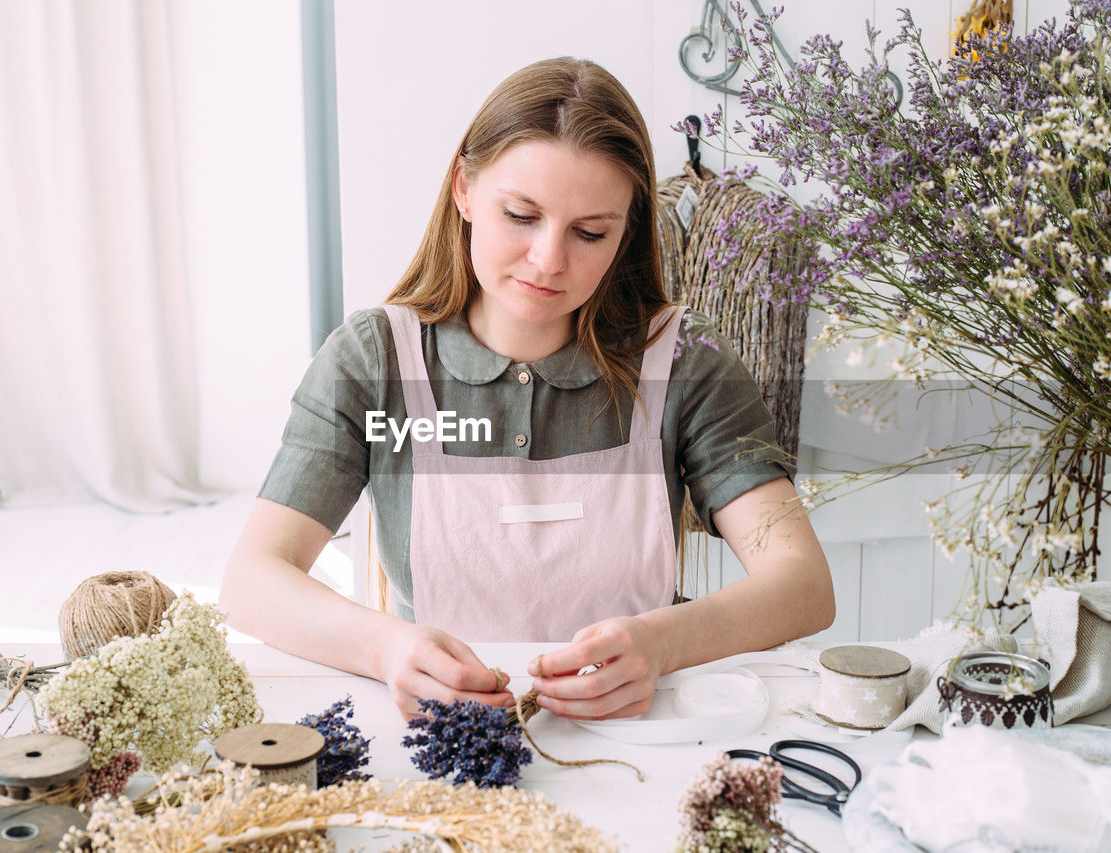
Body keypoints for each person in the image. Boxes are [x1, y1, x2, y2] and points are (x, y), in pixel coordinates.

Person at [220, 57, 834, 721]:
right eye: (521, 215)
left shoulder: (685, 361)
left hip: (642, 737)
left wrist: (663, 642)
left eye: (591, 232)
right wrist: (385, 649)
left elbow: (802, 583)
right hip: (442, 735)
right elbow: (251, 580)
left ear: (627, 232)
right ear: (463, 190)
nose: (549, 260)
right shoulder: (374, 360)